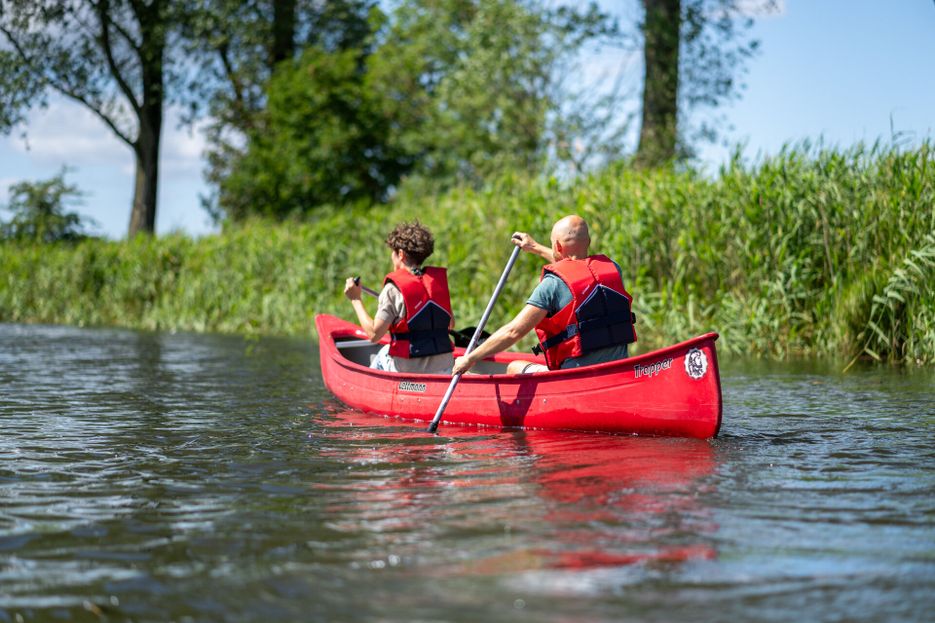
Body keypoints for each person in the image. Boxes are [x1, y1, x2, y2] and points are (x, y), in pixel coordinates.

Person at [452, 215, 636, 376]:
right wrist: (534, 247)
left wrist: (469, 358)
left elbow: (513, 332)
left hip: (575, 377)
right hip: (617, 370)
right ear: (588, 241)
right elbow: (573, 265)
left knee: (514, 367)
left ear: (557, 245)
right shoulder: (613, 270)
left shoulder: (552, 285)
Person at [344, 221, 455, 374]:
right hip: (444, 370)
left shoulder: (392, 290)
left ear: (401, 254)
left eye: (393, 252)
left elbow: (374, 335)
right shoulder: (437, 284)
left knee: (383, 352)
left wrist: (355, 299)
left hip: (409, 374)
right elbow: (451, 324)